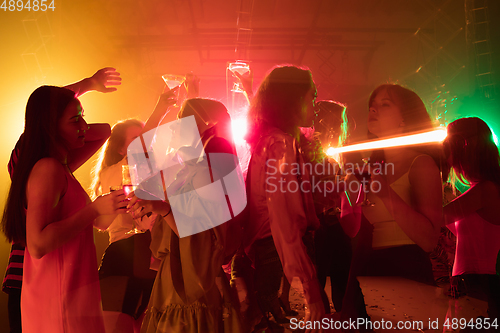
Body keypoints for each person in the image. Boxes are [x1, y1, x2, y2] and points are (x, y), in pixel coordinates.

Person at [1, 67, 123, 333]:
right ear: (48, 124)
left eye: (82, 118)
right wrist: (87, 84)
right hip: (56, 297)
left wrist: (109, 206)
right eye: (74, 120)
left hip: (73, 293)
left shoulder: (60, 166)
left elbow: (104, 130)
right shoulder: (45, 167)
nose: (83, 126)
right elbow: (39, 243)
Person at [127, 98, 244, 333]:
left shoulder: (205, 174)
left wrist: (162, 209)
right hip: (175, 275)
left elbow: (203, 238)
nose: (176, 125)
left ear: (203, 127)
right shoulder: (186, 172)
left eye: (183, 119)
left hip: (191, 280)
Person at [340, 84, 443, 329]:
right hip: (373, 272)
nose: (373, 109)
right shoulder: (373, 169)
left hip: (408, 274)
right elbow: (361, 237)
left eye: (385, 104)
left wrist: (387, 195)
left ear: (404, 119)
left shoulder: (422, 164)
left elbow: (429, 240)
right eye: (372, 106)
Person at [91, 85, 181, 333]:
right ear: (122, 149)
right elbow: (101, 222)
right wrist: (160, 109)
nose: (146, 143)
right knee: (114, 327)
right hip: (124, 255)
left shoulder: (153, 171)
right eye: (137, 139)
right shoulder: (116, 172)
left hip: (151, 256)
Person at [242, 65, 324, 332]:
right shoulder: (279, 144)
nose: (315, 104)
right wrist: (310, 288)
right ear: (293, 99)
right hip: (278, 259)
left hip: (270, 256)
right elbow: (284, 221)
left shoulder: (270, 140)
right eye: (311, 96)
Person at [442, 117, 500, 321]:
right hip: (472, 281)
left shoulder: (486, 190)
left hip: (477, 282)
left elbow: (441, 216)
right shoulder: (483, 190)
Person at [307, 100, 352, 315]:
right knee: (324, 280)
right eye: (340, 122)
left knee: (332, 278)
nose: (344, 127)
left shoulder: (320, 152)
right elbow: (319, 188)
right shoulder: (314, 151)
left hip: (329, 224)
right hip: (321, 225)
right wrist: (348, 183)